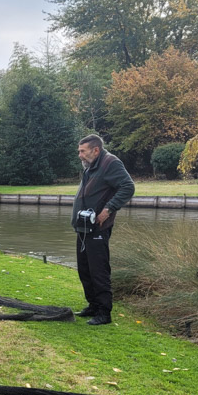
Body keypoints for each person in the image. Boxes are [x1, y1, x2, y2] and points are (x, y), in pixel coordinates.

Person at [70, 134, 135, 326]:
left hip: (97, 228)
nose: (80, 155)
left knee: (98, 270)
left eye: (83, 151)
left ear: (95, 150)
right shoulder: (91, 166)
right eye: (79, 151)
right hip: (83, 227)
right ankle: (93, 305)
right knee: (84, 269)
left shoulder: (110, 163)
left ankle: (104, 313)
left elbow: (128, 187)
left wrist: (108, 210)